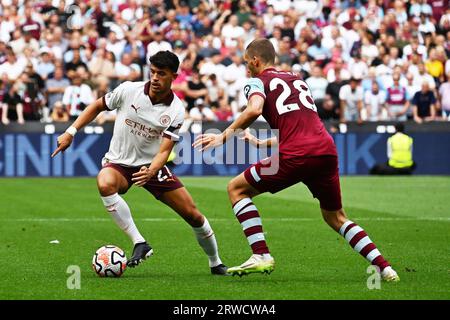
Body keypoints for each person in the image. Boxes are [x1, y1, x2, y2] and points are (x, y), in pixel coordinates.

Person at [193, 39, 399, 281]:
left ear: (256, 61)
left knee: (236, 189)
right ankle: (385, 268)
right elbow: (299, 126)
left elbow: (254, 109)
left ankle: (261, 254)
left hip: (296, 154)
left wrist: (224, 136)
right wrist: (261, 144)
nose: (247, 69)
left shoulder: (256, 82)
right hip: (324, 150)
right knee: (336, 217)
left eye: (248, 63)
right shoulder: (297, 79)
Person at [52, 51, 227, 275]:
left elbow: (165, 150)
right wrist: (70, 132)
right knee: (105, 183)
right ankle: (139, 242)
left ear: (173, 76)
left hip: (151, 166)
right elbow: (97, 106)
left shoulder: (176, 110)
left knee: (193, 214)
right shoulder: (128, 90)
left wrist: (152, 170)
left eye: (161, 74)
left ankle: (215, 262)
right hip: (119, 163)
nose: (154, 78)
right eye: (152, 72)